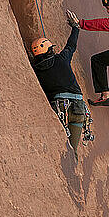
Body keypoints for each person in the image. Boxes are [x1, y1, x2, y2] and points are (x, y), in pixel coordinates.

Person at [28, 21, 85, 161]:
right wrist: (75, 28)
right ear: (50, 50)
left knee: (62, 143)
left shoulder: (37, 71)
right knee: (73, 148)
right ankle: (73, 164)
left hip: (60, 106)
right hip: (78, 107)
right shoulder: (62, 59)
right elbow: (71, 46)